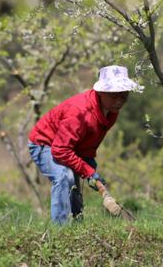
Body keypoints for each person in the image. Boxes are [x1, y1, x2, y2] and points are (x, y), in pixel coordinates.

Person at [27, 65, 141, 223]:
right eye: (115, 95)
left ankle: (78, 225)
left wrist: (89, 169)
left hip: (70, 146)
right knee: (64, 177)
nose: (120, 101)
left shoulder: (111, 110)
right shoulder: (79, 113)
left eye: (124, 95)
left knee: (75, 185)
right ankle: (60, 231)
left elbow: (88, 140)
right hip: (45, 143)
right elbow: (60, 150)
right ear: (101, 92)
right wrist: (87, 170)